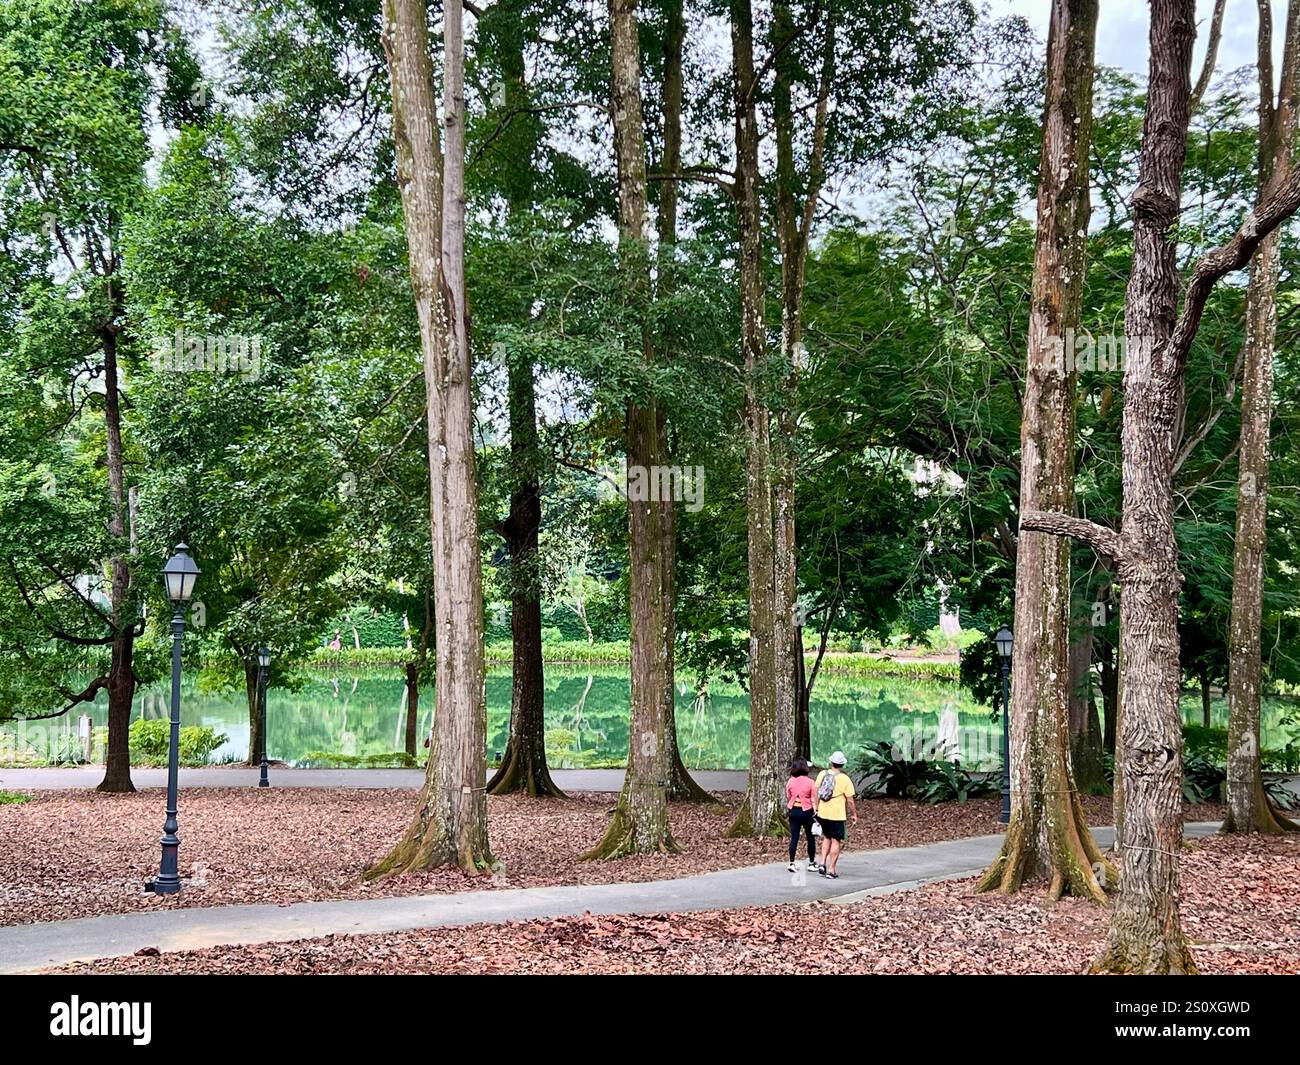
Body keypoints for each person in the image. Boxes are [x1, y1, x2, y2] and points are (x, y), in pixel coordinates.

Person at [813, 750, 857, 879]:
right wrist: (854, 814)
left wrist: (816, 807)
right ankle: (831, 870)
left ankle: (822, 863)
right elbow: (850, 800)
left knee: (827, 837)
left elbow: (816, 792)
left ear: (831, 762)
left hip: (823, 812)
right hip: (837, 815)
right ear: (842, 764)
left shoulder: (822, 774)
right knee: (836, 840)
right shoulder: (845, 779)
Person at [785, 758, 818, 873]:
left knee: (794, 837)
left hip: (793, 811)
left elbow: (788, 795)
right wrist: (816, 811)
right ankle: (811, 863)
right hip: (807, 811)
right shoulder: (810, 782)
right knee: (810, 837)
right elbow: (814, 798)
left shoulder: (790, 781)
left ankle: (792, 862)